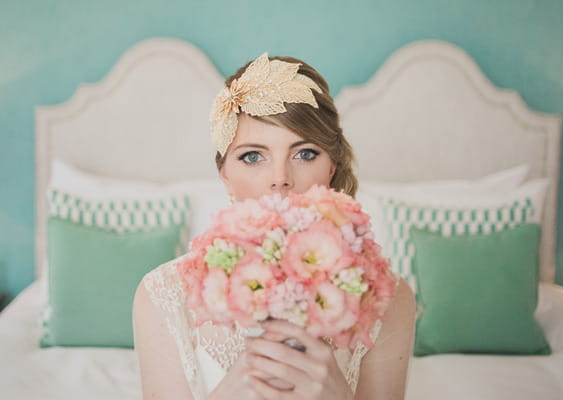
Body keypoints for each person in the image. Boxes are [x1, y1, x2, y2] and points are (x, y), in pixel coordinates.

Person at [133, 52, 416, 400]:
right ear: (226, 175)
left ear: (331, 167)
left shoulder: (386, 298)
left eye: (305, 153)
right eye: (253, 156)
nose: (280, 180)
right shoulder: (163, 295)